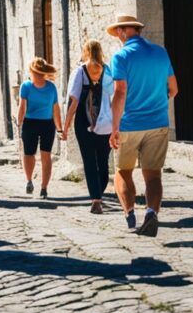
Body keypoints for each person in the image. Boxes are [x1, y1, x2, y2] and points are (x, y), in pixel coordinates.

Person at [107, 15, 178, 237]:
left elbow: (120, 92)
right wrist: (157, 102)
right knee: (153, 175)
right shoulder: (160, 52)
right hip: (158, 123)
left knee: (123, 172)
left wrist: (114, 127)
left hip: (129, 124)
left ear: (121, 32)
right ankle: (151, 213)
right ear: (137, 30)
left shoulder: (121, 56)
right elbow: (174, 89)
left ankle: (130, 215)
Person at [65, 40, 114, 214]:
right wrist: (117, 125)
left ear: (85, 52)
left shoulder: (80, 72)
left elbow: (74, 101)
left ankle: (95, 199)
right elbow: (113, 98)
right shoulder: (107, 71)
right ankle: (99, 194)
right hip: (105, 123)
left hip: (83, 123)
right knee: (103, 161)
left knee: (89, 161)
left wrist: (65, 126)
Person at [17, 57, 63, 199]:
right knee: (29, 154)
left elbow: (56, 109)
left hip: (47, 124)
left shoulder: (51, 87)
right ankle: (29, 180)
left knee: (46, 155)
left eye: (39, 73)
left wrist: (60, 128)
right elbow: (22, 107)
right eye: (35, 73)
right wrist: (19, 124)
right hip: (30, 123)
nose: (37, 75)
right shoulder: (26, 86)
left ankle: (44, 188)